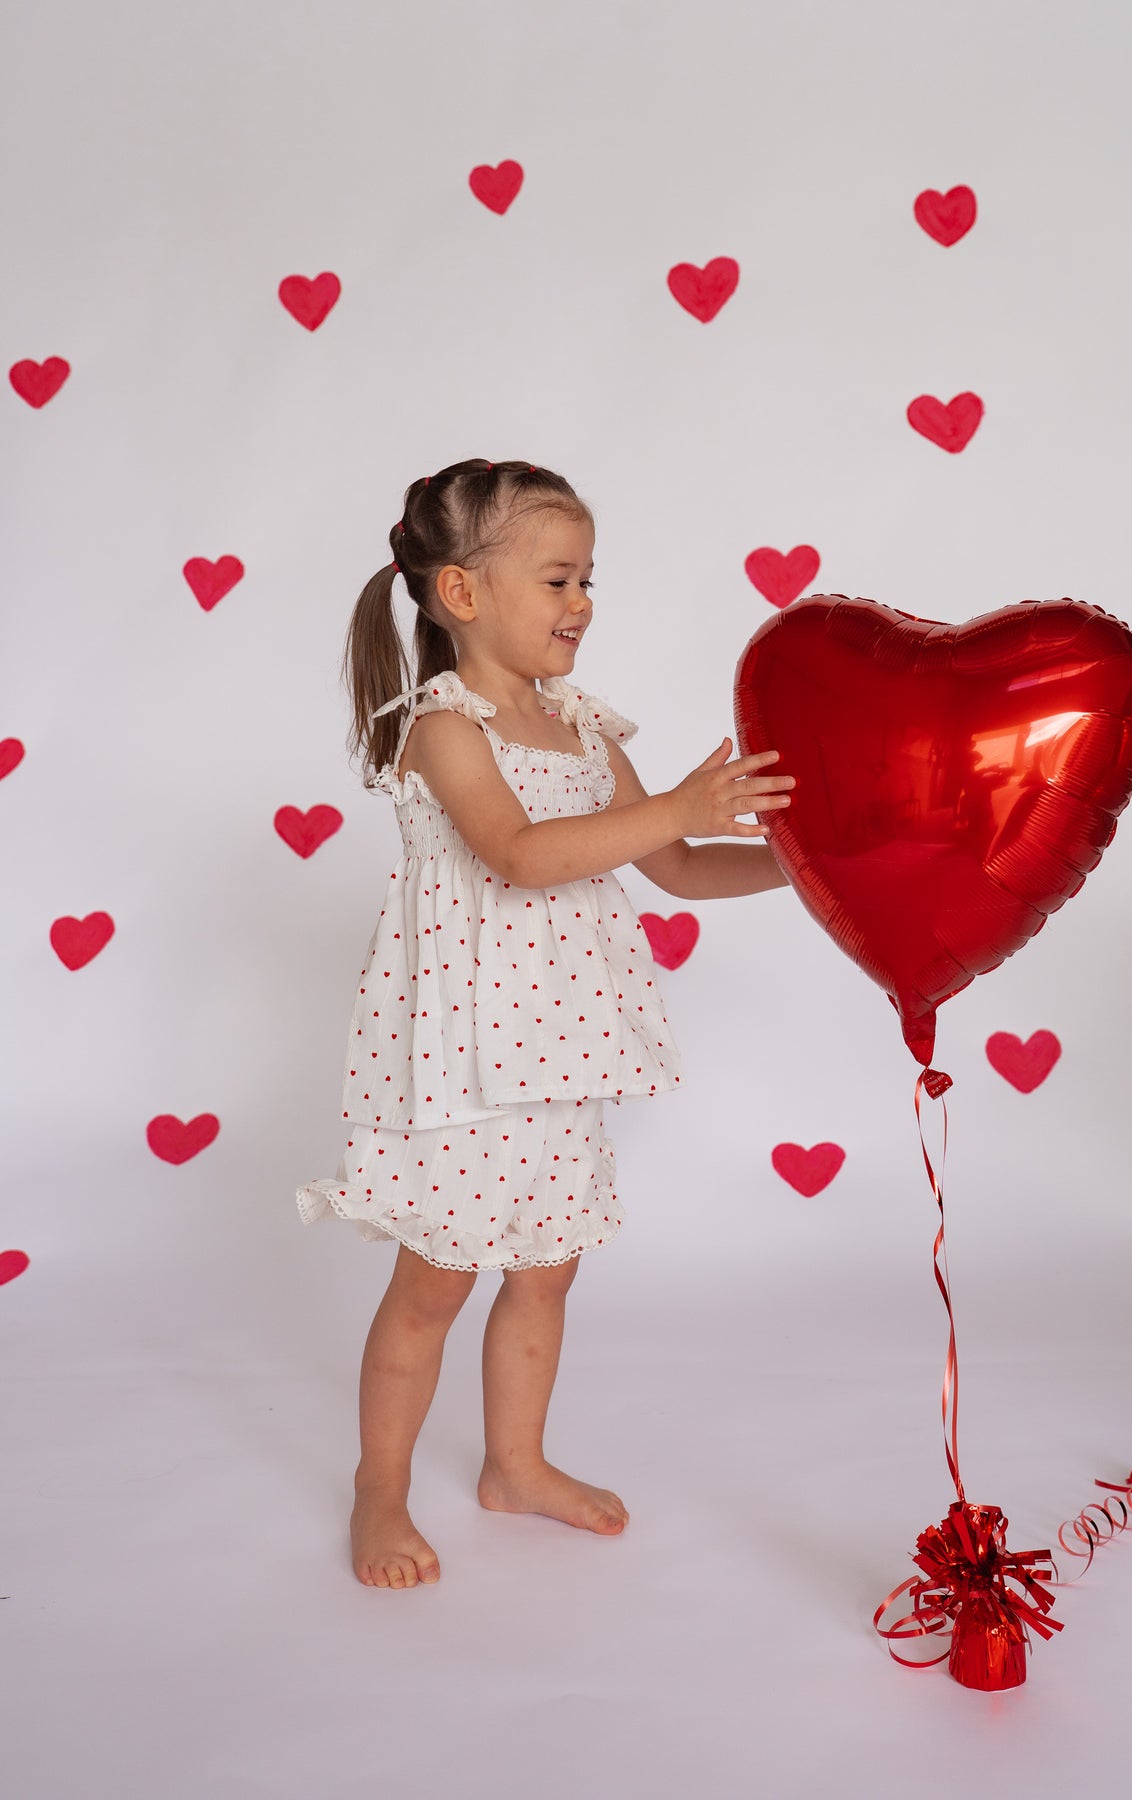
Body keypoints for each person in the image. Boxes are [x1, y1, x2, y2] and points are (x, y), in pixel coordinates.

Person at [295, 457, 796, 1589]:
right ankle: (381, 1487)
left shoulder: (581, 726)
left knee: (544, 1273)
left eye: (587, 581)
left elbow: (674, 866)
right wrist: (677, 805)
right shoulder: (443, 726)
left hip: (557, 1050)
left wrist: (807, 868)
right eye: (558, 579)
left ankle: (513, 1464)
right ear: (461, 593)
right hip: (460, 1062)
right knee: (435, 1284)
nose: (581, 603)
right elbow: (518, 854)